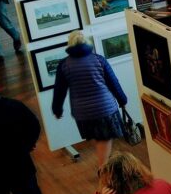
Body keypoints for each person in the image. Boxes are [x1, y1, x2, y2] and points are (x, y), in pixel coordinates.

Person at [52, 30, 128, 170]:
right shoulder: (99, 60)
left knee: (99, 138)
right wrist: (122, 99)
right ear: (87, 43)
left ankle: (104, 163)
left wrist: (57, 109)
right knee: (104, 138)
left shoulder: (64, 65)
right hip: (105, 108)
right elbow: (113, 83)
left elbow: (59, 90)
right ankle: (103, 168)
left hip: (82, 113)